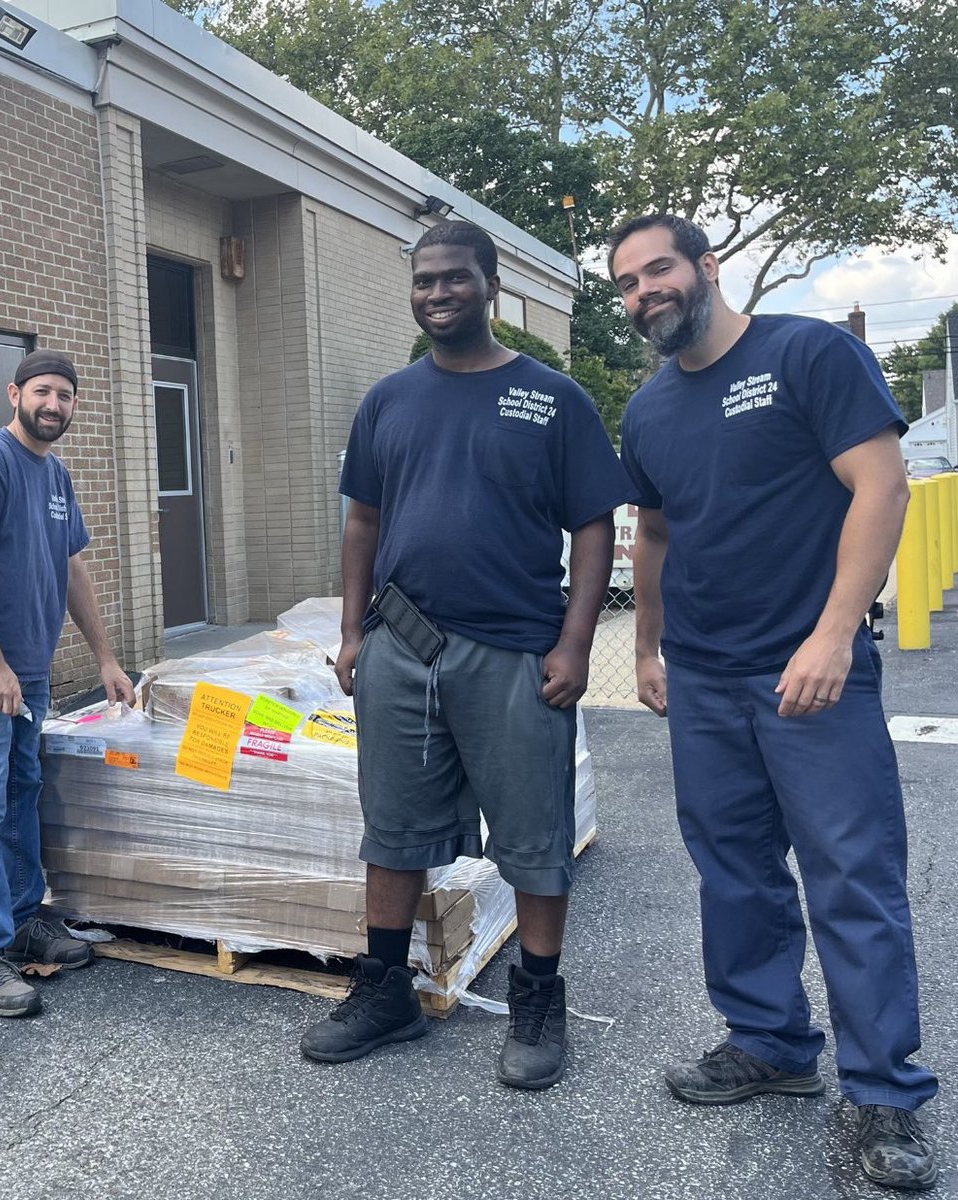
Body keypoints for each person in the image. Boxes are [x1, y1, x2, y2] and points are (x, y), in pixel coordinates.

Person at [609, 214, 937, 1190]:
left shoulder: (806, 354)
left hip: (809, 676)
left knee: (850, 878)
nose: (642, 293)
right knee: (734, 871)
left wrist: (834, 632)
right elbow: (654, 537)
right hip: (704, 677)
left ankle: (881, 1093)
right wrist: (644, 649)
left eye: (656, 269)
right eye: (625, 283)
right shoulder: (649, 410)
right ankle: (770, 1043)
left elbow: (881, 487)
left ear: (706, 266)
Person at [300, 221, 634, 1089]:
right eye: (424, 282)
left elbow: (593, 528)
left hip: (515, 653)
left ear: (490, 285)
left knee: (533, 837)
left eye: (454, 279)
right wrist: (351, 634)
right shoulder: (388, 401)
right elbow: (363, 522)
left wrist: (574, 644)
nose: (437, 294)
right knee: (394, 829)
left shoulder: (552, 398)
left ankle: (537, 1003)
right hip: (401, 647)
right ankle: (385, 994)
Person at [0, 349, 135, 1019]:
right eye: (43, 391)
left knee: (22, 797)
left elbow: (72, 569)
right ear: (15, 393)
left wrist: (106, 658)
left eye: (66, 396)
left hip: (29, 675)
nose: (55, 404)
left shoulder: (55, 475)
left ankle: (23, 920)